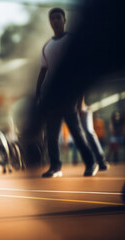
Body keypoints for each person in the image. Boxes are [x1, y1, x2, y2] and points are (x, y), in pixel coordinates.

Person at [35, 8, 98, 178]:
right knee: (51, 133)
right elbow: (43, 70)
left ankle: (91, 163)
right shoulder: (47, 46)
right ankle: (55, 166)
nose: (55, 21)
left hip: (70, 91)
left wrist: (80, 95)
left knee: (76, 131)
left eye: (58, 17)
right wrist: (38, 93)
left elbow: (82, 68)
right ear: (50, 22)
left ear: (64, 20)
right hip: (53, 94)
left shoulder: (72, 41)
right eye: (52, 18)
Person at [79, 97, 110, 170]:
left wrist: (81, 108)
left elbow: (80, 93)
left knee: (88, 132)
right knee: (82, 136)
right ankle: (93, 161)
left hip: (83, 110)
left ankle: (101, 161)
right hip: (73, 111)